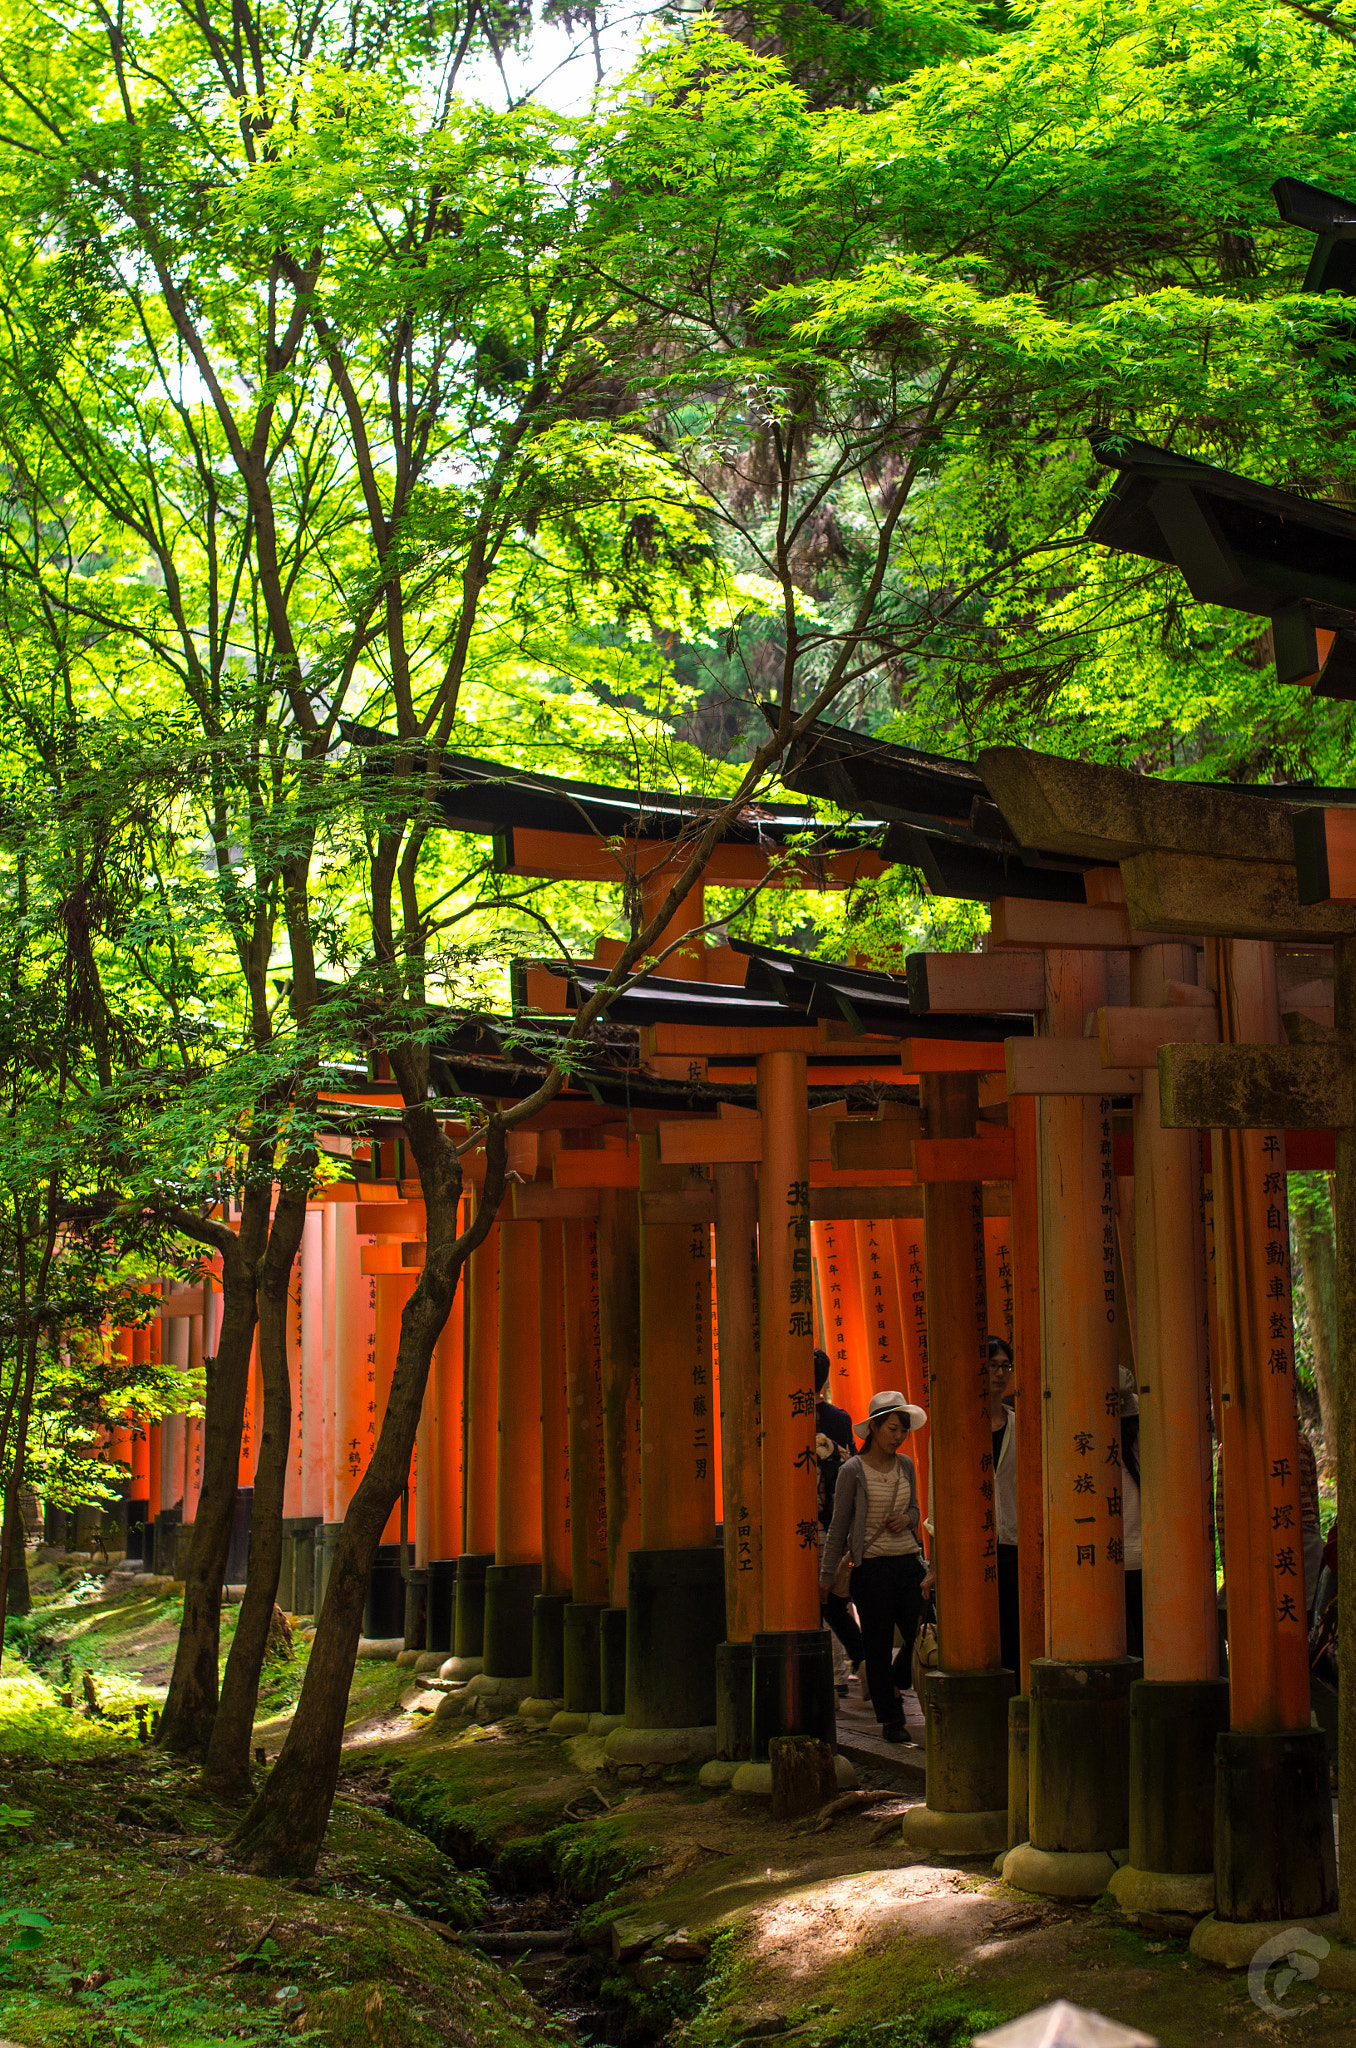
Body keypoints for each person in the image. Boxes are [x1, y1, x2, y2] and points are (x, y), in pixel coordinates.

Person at [819, 1388, 927, 1743]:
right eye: (893, 1428)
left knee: (922, 1630)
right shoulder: (853, 1470)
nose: (898, 1436)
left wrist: (907, 1519)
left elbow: (914, 1509)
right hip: (872, 1568)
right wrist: (826, 1575)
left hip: (908, 1562)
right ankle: (891, 1718)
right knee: (877, 1645)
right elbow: (839, 1524)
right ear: (876, 1428)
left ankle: (899, 1678)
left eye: (903, 1430)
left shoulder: (906, 1465)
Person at [814, 1349, 864, 1691]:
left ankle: (847, 1669)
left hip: (820, 1522)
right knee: (831, 1602)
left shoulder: (782, 1413)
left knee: (827, 1601)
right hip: (834, 1518)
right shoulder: (838, 1418)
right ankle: (856, 1665)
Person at [987, 1337, 1020, 1675]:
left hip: (1013, 1541)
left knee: (1013, 1631)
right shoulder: (959, 1424)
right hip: (973, 1548)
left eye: (1004, 1366)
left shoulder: (1019, 1424)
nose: (999, 1373)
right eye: (992, 1366)